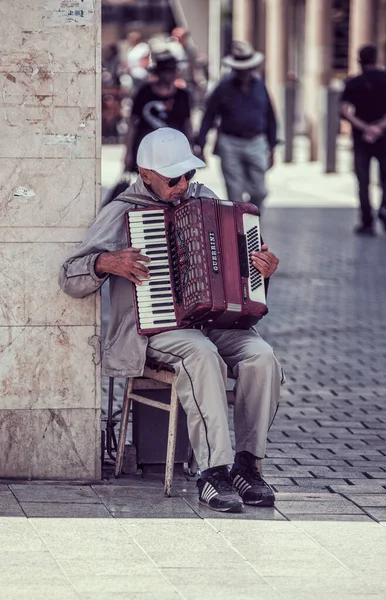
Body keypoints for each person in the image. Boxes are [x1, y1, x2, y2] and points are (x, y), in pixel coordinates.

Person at [59, 128, 283, 514]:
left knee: (262, 357)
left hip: (215, 322)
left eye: (188, 176)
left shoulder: (208, 201)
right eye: (172, 177)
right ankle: (213, 473)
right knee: (201, 354)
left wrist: (262, 271)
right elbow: (69, 276)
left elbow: (240, 276)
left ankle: (249, 466)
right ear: (145, 173)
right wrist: (105, 262)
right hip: (154, 329)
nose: (183, 185)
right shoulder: (121, 212)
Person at [194, 41, 278, 211]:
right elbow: (209, 116)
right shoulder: (224, 87)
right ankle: (239, 229)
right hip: (230, 141)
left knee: (260, 191)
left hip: (256, 141)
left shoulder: (260, 85)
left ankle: (253, 221)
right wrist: (201, 143)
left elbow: (270, 116)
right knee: (235, 193)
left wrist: (272, 146)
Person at [340, 44, 386, 236]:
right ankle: (385, 208)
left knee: (363, 180)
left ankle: (367, 221)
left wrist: (364, 127)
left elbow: (344, 111)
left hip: (362, 138)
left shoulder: (354, 82)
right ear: (378, 59)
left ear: (359, 61)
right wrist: (380, 127)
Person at [124, 48, 192, 173]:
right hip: (148, 150)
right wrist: (128, 153)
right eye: (166, 71)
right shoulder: (144, 93)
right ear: (158, 73)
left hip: (173, 150)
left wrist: (190, 150)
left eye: (172, 71)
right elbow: (132, 123)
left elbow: (187, 124)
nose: (170, 75)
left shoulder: (182, 95)